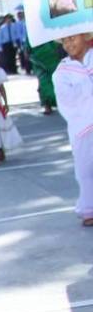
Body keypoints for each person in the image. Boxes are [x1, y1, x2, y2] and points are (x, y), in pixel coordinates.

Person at [54, 32, 93, 226]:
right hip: (83, 125)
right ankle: (89, 208)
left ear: (86, 36)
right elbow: (67, 101)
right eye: (65, 40)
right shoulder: (62, 71)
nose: (69, 44)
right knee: (85, 169)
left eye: (73, 38)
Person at [30, 40, 61, 115]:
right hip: (38, 61)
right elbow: (27, 49)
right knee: (43, 83)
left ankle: (60, 103)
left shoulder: (48, 30)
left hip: (53, 59)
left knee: (56, 81)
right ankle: (47, 105)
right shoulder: (30, 32)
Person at [13, 8, 31, 73]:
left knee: (30, 54)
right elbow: (16, 33)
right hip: (22, 42)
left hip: (29, 40)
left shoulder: (26, 21)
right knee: (24, 55)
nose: (20, 15)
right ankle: (27, 69)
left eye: (21, 14)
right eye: (19, 14)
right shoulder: (16, 24)